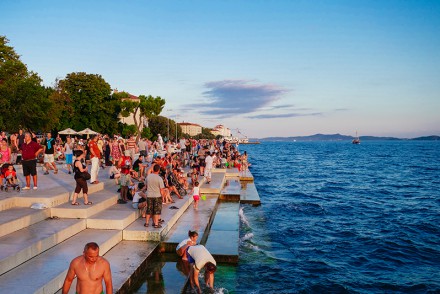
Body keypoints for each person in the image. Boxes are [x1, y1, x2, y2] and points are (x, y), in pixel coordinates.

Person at [145, 164, 165, 228]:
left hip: (149, 195)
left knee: (149, 209)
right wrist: (163, 197)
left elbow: (146, 186)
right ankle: (156, 224)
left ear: (153, 169)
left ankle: (147, 223)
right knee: (156, 211)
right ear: (158, 170)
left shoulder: (148, 177)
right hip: (157, 196)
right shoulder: (159, 178)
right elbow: (161, 189)